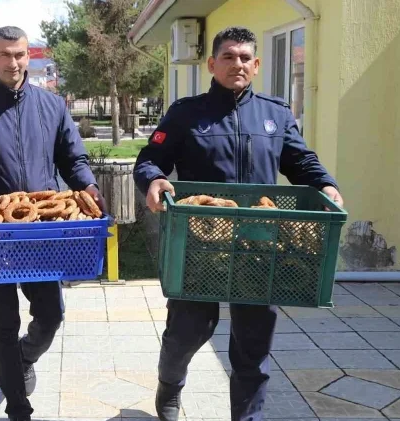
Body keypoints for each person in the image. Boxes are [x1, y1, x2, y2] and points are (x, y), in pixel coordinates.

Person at [134, 27, 344, 421]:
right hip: (199, 246)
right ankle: (170, 384)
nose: (238, 64)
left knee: (253, 346)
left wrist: (326, 185)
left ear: (257, 65)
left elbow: (300, 162)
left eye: (245, 58)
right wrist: (154, 180)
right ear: (212, 63)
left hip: (258, 247)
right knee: (186, 334)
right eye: (228, 57)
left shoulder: (275, 113)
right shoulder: (186, 112)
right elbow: (150, 159)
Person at [0, 26, 106, 421]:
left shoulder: (52, 107)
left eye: (20, 54)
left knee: (50, 316)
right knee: (3, 323)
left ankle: (24, 357)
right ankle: (18, 407)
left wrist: (89, 186)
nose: (13, 62)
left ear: (29, 57)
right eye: (4, 55)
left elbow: (73, 160)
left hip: (41, 232)